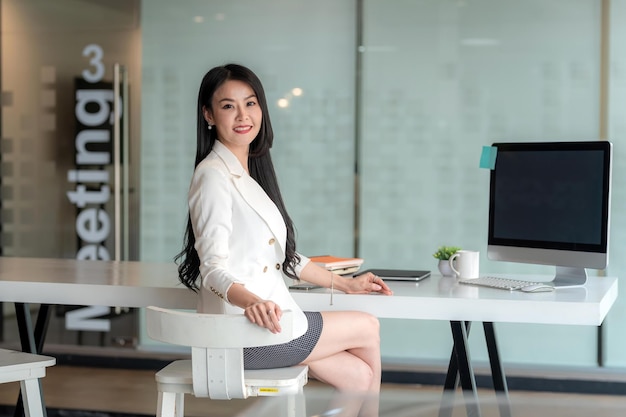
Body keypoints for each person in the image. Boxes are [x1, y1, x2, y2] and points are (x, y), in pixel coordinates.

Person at [175, 63, 393, 415]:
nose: (243, 115)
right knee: (368, 326)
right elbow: (212, 268)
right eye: (228, 106)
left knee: (357, 376)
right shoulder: (213, 176)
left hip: (267, 325)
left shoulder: (248, 172)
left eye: (251, 103)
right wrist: (251, 302)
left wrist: (346, 284)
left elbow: (283, 257)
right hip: (244, 333)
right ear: (208, 115)